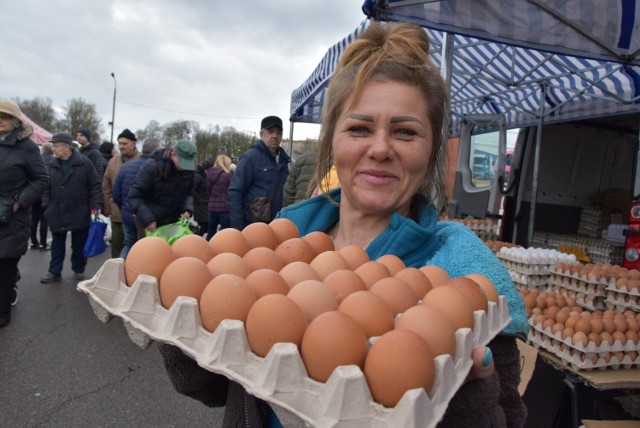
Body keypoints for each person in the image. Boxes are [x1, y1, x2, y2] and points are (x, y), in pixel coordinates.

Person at [157, 22, 529, 427]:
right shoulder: (283, 242)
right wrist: (183, 326)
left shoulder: (466, 274)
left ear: (432, 148)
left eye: (405, 131)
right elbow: (217, 389)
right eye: (360, 128)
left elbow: (506, 420)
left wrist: (459, 401)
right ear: (332, 139)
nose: (381, 148)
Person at [0, 99, 48, 328]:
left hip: (11, 217)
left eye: (5, 117)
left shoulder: (26, 147)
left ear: (16, 121)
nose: (0, 121)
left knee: (6, 265)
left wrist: (19, 202)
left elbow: (41, 180)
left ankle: (3, 309)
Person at [40, 132, 102, 283]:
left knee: (79, 243)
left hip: (79, 209)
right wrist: (47, 206)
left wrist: (95, 206)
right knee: (57, 243)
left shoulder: (84, 163)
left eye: (56, 146)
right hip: (57, 210)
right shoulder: (51, 165)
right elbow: (45, 188)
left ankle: (79, 269)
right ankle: (54, 272)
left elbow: (94, 186)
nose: (53, 149)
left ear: (66, 147)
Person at [227, 116, 290, 229]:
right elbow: (235, 192)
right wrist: (238, 228)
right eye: (270, 132)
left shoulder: (285, 161)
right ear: (261, 134)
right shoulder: (250, 157)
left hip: (277, 225)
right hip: (253, 226)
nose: (275, 136)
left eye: (278, 132)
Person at [128, 139, 196, 233]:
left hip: (173, 222)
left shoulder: (189, 172)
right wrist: (148, 219)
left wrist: (187, 209)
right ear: (173, 154)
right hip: (150, 223)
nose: (184, 167)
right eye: (182, 162)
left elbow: (189, 193)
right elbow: (134, 195)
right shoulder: (152, 167)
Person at [112, 137, 162, 259]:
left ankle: (120, 269)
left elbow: (116, 193)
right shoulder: (158, 169)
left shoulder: (126, 166)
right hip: (148, 217)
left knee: (128, 244)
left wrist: (124, 208)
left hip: (127, 213)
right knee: (146, 249)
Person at [102, 129, 141, 258]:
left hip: (136, 214)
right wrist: (108, 207)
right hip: (117, 213)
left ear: (134, 143)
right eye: (120, 143)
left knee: (135, 247)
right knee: (117, 246)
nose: (122, 146)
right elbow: (106, 185)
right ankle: (115, 272)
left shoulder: (142, 160)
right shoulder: (113, 161)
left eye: (125, 143)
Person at [30, 142, 54, 249]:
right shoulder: (53, 162)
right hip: (46, 192)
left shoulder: (36, 161)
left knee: (34, 218)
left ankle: (33, 241)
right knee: (44, 219)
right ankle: (43, 243)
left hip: (35, 192)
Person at [205, 154, 233, 239]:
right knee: (225, 232)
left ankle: (208, 248)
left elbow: (207, 191)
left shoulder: (209, 174)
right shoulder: (227, 176)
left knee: (211, 231)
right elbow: (232, 191)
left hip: (212, 207)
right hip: (224, 208)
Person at [192, 159, 213, 236]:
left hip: (204, 205)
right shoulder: (197, 176)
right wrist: (201, 200)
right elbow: (193, 191)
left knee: (206, 226)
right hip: (200, 206)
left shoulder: (204, 176)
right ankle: (197, 241)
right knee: (204, 226)